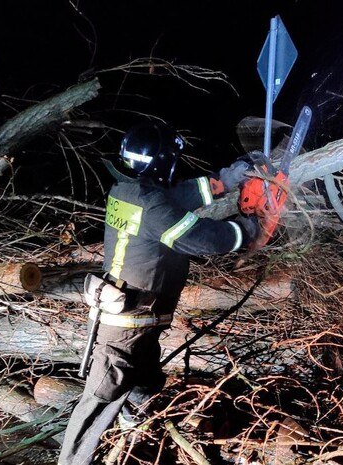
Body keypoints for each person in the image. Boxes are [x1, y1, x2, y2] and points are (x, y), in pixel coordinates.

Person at [59, 122, 257, 465]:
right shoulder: (153, 209)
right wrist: (248, 230)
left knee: (145, 385)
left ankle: (134, 429)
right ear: (161, 163)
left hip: (141, 322)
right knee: (99, 400)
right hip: (125, 329)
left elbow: (172, 197)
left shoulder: (127, 190)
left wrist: (223, 182)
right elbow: (200, 238)